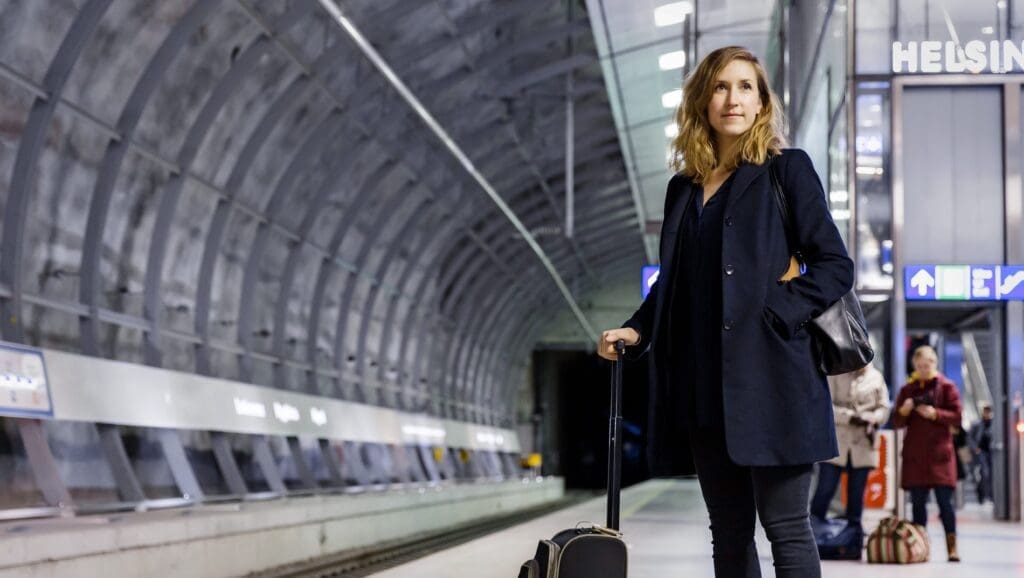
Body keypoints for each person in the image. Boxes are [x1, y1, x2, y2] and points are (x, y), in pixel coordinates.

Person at [598, 46, 853, 578]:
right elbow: (675, 283)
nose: (732, 98)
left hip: (775, 379)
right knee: (729, 532)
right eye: (720, 86)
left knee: (785, 527)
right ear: (702, 100)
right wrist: (637, 329)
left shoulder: (786, 171)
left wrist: (775, 310)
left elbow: (834, 266)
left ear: (761, 102)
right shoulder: (683, 190)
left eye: (744, 87)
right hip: (706, 385)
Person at [892, 345, 963, 562]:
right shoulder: (907, 390)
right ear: (914, 365)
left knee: (945, 505)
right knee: (918, 506)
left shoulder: (947, 387)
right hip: (915, 456)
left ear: (935, 363)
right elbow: (895, 421)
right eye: (920, 366)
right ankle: (921, 548)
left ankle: (952, 548)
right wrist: (903, 411)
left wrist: (936, 414)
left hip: (940, 456)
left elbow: (957, 417)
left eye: (928, 365)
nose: (924, 369)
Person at [810, 364, 890, 532]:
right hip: (837, 441)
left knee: (856, 495)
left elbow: (883, 408)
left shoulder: (876, 377)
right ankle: (815, 533)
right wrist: (850, 417)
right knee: (825, 490)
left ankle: (852, 538)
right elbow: (824, 406)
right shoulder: (836, 372)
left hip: (863, 443)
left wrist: (872, 418)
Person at [969, 404, 994, 503]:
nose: (987, 414)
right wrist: (975, 448)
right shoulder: (977, 424)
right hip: (981, 452)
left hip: (992, 452)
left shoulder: (993, 423)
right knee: (984, 473)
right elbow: (970, 437)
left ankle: (991, 496)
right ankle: (982, 495)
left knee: (991, 474)